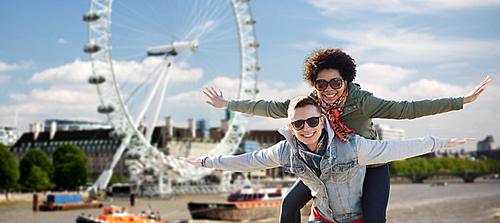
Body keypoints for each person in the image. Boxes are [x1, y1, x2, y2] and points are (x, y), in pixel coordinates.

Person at [203, 48, 490, 223]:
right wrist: (227, 104)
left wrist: (461, 100)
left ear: (346, 81)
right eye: (321, 83)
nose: (328, 89)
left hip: (369, 163)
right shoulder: (309, 104)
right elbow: (268, 107)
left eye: (336, 82)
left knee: (374, 218)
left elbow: (407, 109)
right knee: (289, 204)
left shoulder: (361, 100)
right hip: (329, 165)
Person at [181, 95, 474, 223]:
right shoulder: (286, 150)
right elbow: (249, 160)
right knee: (288, 205)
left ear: (323, 121)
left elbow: (397, 147)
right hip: (322, 218)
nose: (305, 129)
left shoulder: (354, 146)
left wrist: (443, 143)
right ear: (291, 127)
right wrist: (207, 162)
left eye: (311, 122)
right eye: (298, 124)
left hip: (356, 218)